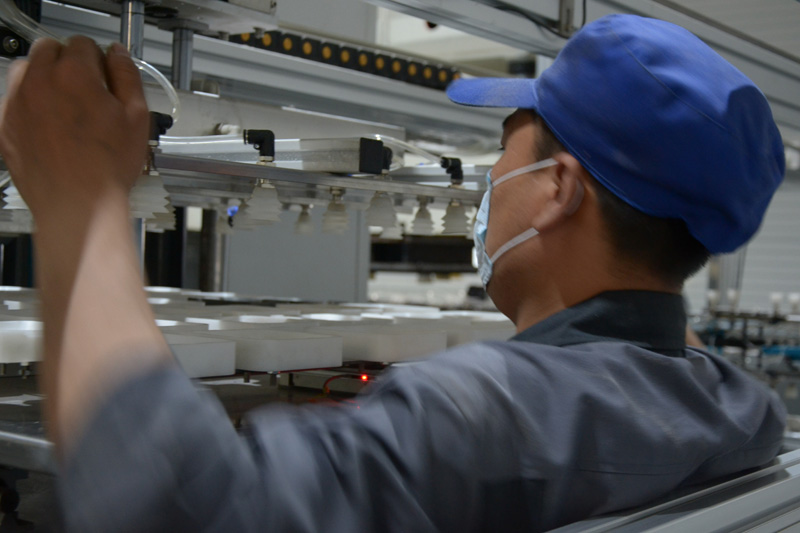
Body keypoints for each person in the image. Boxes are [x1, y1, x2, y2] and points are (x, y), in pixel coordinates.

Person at [0, 13, 787, 533]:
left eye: (506, 149)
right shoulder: (738, 406)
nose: (492, 181)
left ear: (557, 189)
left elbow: (174, 507)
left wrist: (80, 202)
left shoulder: (481, 413)